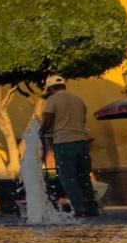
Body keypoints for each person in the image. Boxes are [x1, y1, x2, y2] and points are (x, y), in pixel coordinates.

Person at [40, 76, 98, 217]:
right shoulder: (78, 100)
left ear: (50, 88)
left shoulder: (52, 100)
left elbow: (48, 119)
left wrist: (41, 130)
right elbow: (83, 120)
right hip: (82, 141)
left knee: (68, 177)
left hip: (64, 142)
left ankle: (79, 209)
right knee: (83, 176)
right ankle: (91, 207)